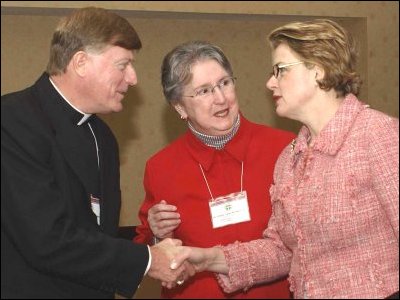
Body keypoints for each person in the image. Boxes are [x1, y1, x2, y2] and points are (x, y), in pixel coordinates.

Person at [170, 19, 400, 299]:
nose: (269, 83)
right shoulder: (290, 158)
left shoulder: (378, 135)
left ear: (319, 69)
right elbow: (283, 251)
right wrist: (207, 259)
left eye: (280, 70)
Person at [1, 7, 189, 299]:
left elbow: (99, 236)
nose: (133, 78)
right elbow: (45, 240)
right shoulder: (12, 120)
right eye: (123, 65)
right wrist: (148, 260)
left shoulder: (102, 135)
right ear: (80, 62)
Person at [133, 40, 295, 298]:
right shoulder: (161, 167)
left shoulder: (284, 148)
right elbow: (148, 255)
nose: (221, 99)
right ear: (179, 107)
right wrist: (156, 234)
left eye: (225, 83)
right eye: (204, 91)